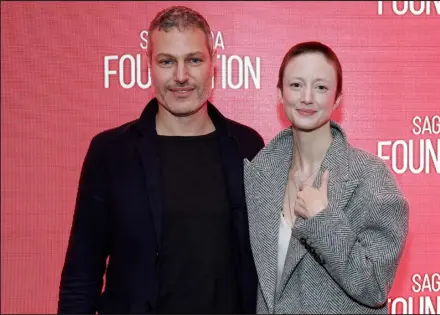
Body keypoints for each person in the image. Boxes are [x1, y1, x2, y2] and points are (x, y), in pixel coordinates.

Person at [58, 5, 264, 314]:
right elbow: (81, 275)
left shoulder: (247, 146)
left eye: (193, 60)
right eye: (167, 61)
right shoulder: (111, 152)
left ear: (213, 64)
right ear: (149, 66)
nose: (181, 76)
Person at [243, 41, 409, 314]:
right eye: (296, 85)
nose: (307, 97)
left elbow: (375, 286)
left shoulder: (369, 178)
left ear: (338, 99)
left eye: (321, 87)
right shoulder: (259, 175)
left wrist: (323, 219)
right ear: (279, 94)